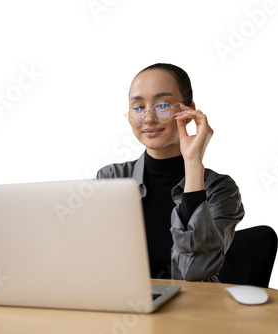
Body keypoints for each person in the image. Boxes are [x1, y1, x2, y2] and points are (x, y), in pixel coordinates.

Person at [97, 63, 244, 281]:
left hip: (190, 311)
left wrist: (193, 162)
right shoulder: (111, 179)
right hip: (121, 308)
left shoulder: (220, 190)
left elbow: (196, 270)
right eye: (138, 107)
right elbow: (92, 262)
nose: (148, 118)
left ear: (188, 110)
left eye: (162, 105)